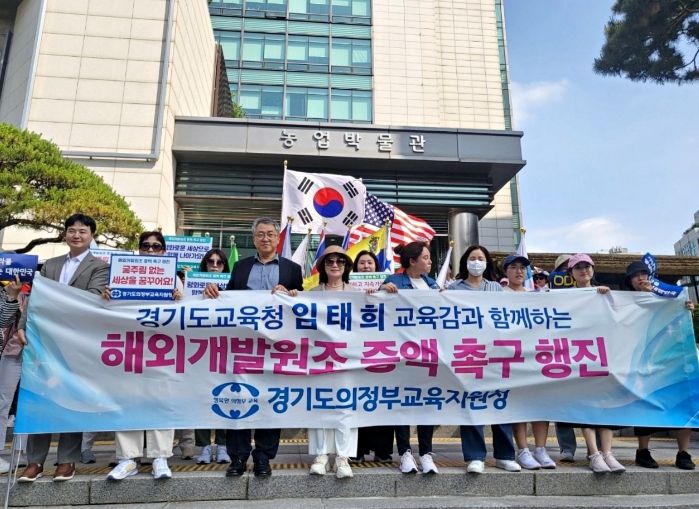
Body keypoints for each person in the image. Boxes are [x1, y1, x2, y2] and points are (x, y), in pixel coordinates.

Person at [204, 217, 303, 478]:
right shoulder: (240, 266)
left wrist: (293, 294)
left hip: (277, 347)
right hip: (243, 346)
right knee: (239, 397)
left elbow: (303, 304)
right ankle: (237, 458)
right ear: (254, 238)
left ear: (278, 238)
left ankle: (263, 457)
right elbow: (228, 299)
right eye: (260, 234)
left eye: (270, 234)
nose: (265, 238)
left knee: (271, 400)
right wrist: (212, 292)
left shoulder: (292, 269)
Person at [17, 214, 109, 483]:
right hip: (44, 341)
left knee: (72, 398)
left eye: (82, 231)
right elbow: (35, 298)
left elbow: (93, 298)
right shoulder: (51, 265)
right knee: (40, 397)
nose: (76, 235)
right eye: (71, 231)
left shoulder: (99, 267)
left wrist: (57, 303)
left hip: (76, 343)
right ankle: (34, 462)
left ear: (91, 235)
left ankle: (67, 461)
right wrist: (23, 324)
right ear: (65, 234)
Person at [104, 231, 180, 481]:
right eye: (145, 246)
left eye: (156, 247)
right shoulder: (120, 276)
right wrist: (105, 298)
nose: (150, 250)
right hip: (129, 347)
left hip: (162, 350)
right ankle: (128, 459)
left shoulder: (174, 279)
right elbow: (107, 313)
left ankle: (160, 457)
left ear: (164, 251)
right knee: (128, 400)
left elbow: (186, 315)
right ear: (138, 249)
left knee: (162, 401)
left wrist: (180, 300)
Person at [447, 245, 520, 474]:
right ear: (465, 262)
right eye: (472, 258)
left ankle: (505, 455)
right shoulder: (453, 288)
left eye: (480, 258)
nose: (476, 262)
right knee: (472, 404)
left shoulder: (496, 288)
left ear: (487, 262)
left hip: (495, 353)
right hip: (468, 353)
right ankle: (475, 456)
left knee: (499, 402)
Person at [556, 253, 625, 474]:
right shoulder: (566, 297)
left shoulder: (605, 294)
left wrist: (609, 297)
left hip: (603, 356)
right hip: (579, 357)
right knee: (585, 406)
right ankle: (594, 454)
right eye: (578, 267)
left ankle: (608, 453)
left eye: (587, 266)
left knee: (605, 406)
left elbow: (623, 317)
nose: (583, 270)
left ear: (593, 269)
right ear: (571, 273)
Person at [624, 260, 696, 470]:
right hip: (642, 362)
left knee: (683, 402)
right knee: (644, 404)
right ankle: (643, 451)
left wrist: (686, 308)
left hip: (673, 360)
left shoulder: (669, 298)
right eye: (635, 275)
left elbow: (680, 319)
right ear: (629, 281)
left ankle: (683, 453)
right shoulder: (625, 302)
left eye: (644, 273)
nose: (640, 278)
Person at [380, 241, 440, 475]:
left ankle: (426, 453)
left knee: (427, 402)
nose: (430, 261)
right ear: (412, 261)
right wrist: (382, 292)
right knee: (402, 403)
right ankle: (405, 452)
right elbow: (376, 309)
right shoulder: (394, 282)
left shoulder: (432, 284)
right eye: (425, 257)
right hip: (401, 353)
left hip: (428, 352)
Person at [307, 245, 359, 478]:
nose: (335, 265)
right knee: (319, 404)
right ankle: (321, 456)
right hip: (319, 358)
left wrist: (383, 293)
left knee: (346, 408)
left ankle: (342, 457)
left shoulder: (357, 294)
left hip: (349, 360)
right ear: (322, 267)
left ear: (346, 266)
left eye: (340, 261)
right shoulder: (311, 294)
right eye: (330, 261)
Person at [501, 255, 556, 470]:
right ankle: (523, 449)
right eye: (514, 267)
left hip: (536, 357)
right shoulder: (497, 295)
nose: (519, 271)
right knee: (519, 404)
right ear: (505, 271)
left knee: (541, 403)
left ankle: (540, 449)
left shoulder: (537, 296)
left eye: (523, 268)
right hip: (511, 357)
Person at [351, 251, 394, 464]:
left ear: (376, 266)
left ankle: (382, 451)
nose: (366, 266)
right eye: (362, 263)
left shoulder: (388, 286)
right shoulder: (347, 288)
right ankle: (357, 450)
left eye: (369, 262)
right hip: (356, 353)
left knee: (382, 401)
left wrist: (386, 291)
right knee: (358, 403)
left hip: (381, 352)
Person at [193, 249, 231, 465]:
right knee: (202, 399)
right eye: (210, 262)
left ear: (225, 266)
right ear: (204, 264)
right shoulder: (192, 289)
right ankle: (204, 447)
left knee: (225, 397)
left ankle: (224, 446)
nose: (215, 265)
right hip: (199, 352)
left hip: (226, 350)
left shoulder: (234, 290)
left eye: (219, 262)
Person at [549, 254, 577, 461]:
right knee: (562, 404)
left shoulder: (593, 293)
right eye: (563, 268)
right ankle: (567, 448)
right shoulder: (550, 295)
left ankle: (597, 449)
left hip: (586, 353)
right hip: (559, 353)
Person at [0, 275, 24, 474]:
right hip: (12, 350)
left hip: (41, 351)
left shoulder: (45, 282)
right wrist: (12, 296)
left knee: (31, 401)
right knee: (3, 401)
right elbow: (3, 320)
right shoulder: (5, 287)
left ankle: (24, 453)